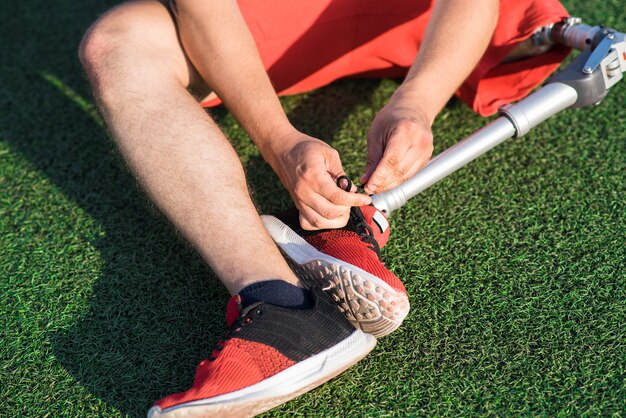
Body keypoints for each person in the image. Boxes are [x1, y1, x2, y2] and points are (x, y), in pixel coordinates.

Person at [79, 0, 570, 416]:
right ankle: (287, 306)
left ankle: (334, 228)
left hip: (419, 18)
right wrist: (280, 142)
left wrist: (417, 103)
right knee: (118, 42)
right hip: (251, 20)